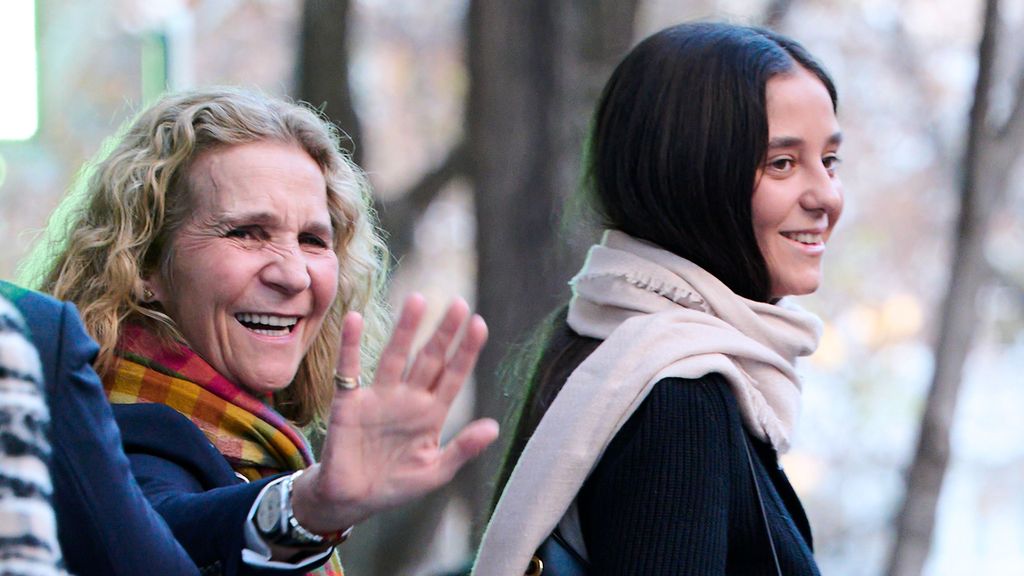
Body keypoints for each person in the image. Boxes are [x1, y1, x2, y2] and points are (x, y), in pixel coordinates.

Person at [30, 88, 498, 575]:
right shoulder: (120, 425)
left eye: (313, 240)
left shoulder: (258, 438)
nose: (294, 275)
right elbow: (156, 532)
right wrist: (306, 508)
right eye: (247, 233)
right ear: (145, 264)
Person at [475, 22, 842, 575]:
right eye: (782, 164)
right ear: (693, 176)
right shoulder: (679, 399)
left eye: (830, 160)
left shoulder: (612, 344)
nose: (827, 196)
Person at [1, 281, 199, 576]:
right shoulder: (29, 332)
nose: (292, 277)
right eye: (244, 234)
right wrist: (283, 507)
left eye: (298, 241)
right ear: (143, 270)